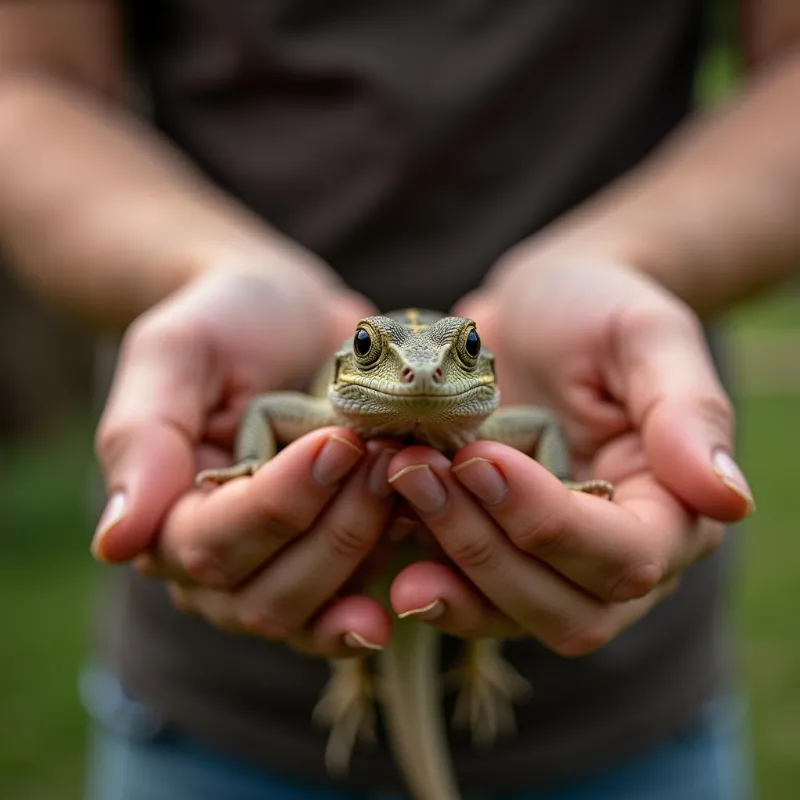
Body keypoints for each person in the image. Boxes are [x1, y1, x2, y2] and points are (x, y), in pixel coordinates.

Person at [2, 2, 797, 798]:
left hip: (637, 703)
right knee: (395, 590)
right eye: (379, 360)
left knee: (434, 583)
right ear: (355, 364)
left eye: (459, 361)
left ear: (477, 369)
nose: (419, 379)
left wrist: (630, 265)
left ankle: (468, 663)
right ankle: (355, 682)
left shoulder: (483, 423)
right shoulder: (346, 416)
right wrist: (210, 315)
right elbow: (26, 83)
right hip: (212, 703)